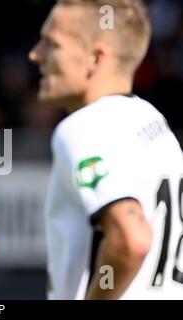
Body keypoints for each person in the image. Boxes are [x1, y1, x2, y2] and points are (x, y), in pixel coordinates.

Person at [29, 0, 183, 299]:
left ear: (95, 59)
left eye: (52, 44)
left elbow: (132, 239)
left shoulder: (83, 127)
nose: (35, 54)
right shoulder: (155, 125)